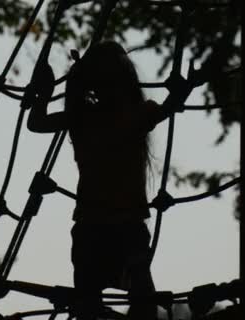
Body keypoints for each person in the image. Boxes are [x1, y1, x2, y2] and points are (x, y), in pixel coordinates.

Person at [27, 41, 177, 320]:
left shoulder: (82, 117)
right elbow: (170, 106)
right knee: (143, 302)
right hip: (127, 226)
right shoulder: (134, 115)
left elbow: (36, 123)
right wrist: (183, 88)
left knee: (87, 305)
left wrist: (44, 93)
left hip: (90, 227)